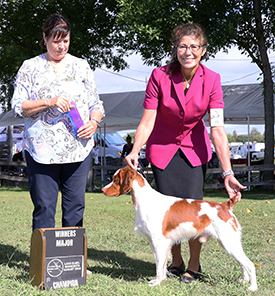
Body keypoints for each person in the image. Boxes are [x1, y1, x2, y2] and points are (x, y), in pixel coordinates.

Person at [125, 23, 246, 283]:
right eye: (182, 46)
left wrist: (227, 172)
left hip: (195, 151)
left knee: (193, 208)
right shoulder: (159, 76)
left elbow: (217, 128)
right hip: (163, 150)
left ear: (202, 50)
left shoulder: (212, 79)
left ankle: (194, 264)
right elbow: (147, 120)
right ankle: (176, 262)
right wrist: (135, 150)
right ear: (175, 49)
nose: (187, 52)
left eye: (194, 46)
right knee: (169, 209)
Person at [11, 14, 104, 231]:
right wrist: (49, 102)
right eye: (56, 41)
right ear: (44, 38)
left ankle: (72, 263)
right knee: (44, 207)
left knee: (75, 208)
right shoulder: (30, 66)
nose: (61, 46)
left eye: (65, 41)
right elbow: (19, 106)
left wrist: (94, 122)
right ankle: (43, 263)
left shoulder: (81, 66)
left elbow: (96, 104)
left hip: (78, 150)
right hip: (42, 152)